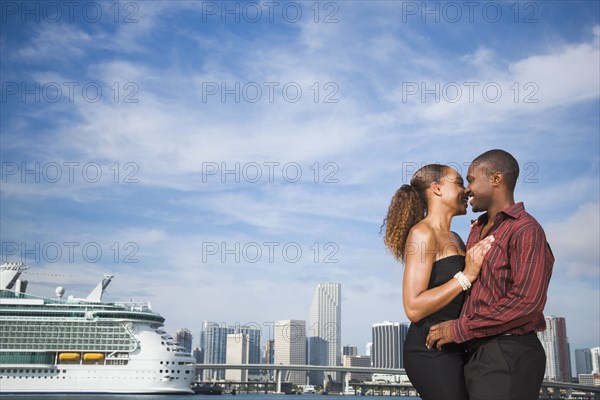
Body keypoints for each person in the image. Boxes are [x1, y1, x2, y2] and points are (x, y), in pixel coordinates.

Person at [426, 149, 554, 400]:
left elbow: (527, 302)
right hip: (476, 352)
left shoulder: (526, 230)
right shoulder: (477, 230)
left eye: (471, 180)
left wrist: (461, 328)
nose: (467, 189)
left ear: (496, 179)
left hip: (508, 352)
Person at [382, 163, 494, 400]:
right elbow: (413, 308)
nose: (467, 191)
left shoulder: (456, 238)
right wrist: (466, 276)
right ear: (437, 188)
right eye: (459, 183)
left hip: (457, 343)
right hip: (429, 350)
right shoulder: (422, 234)